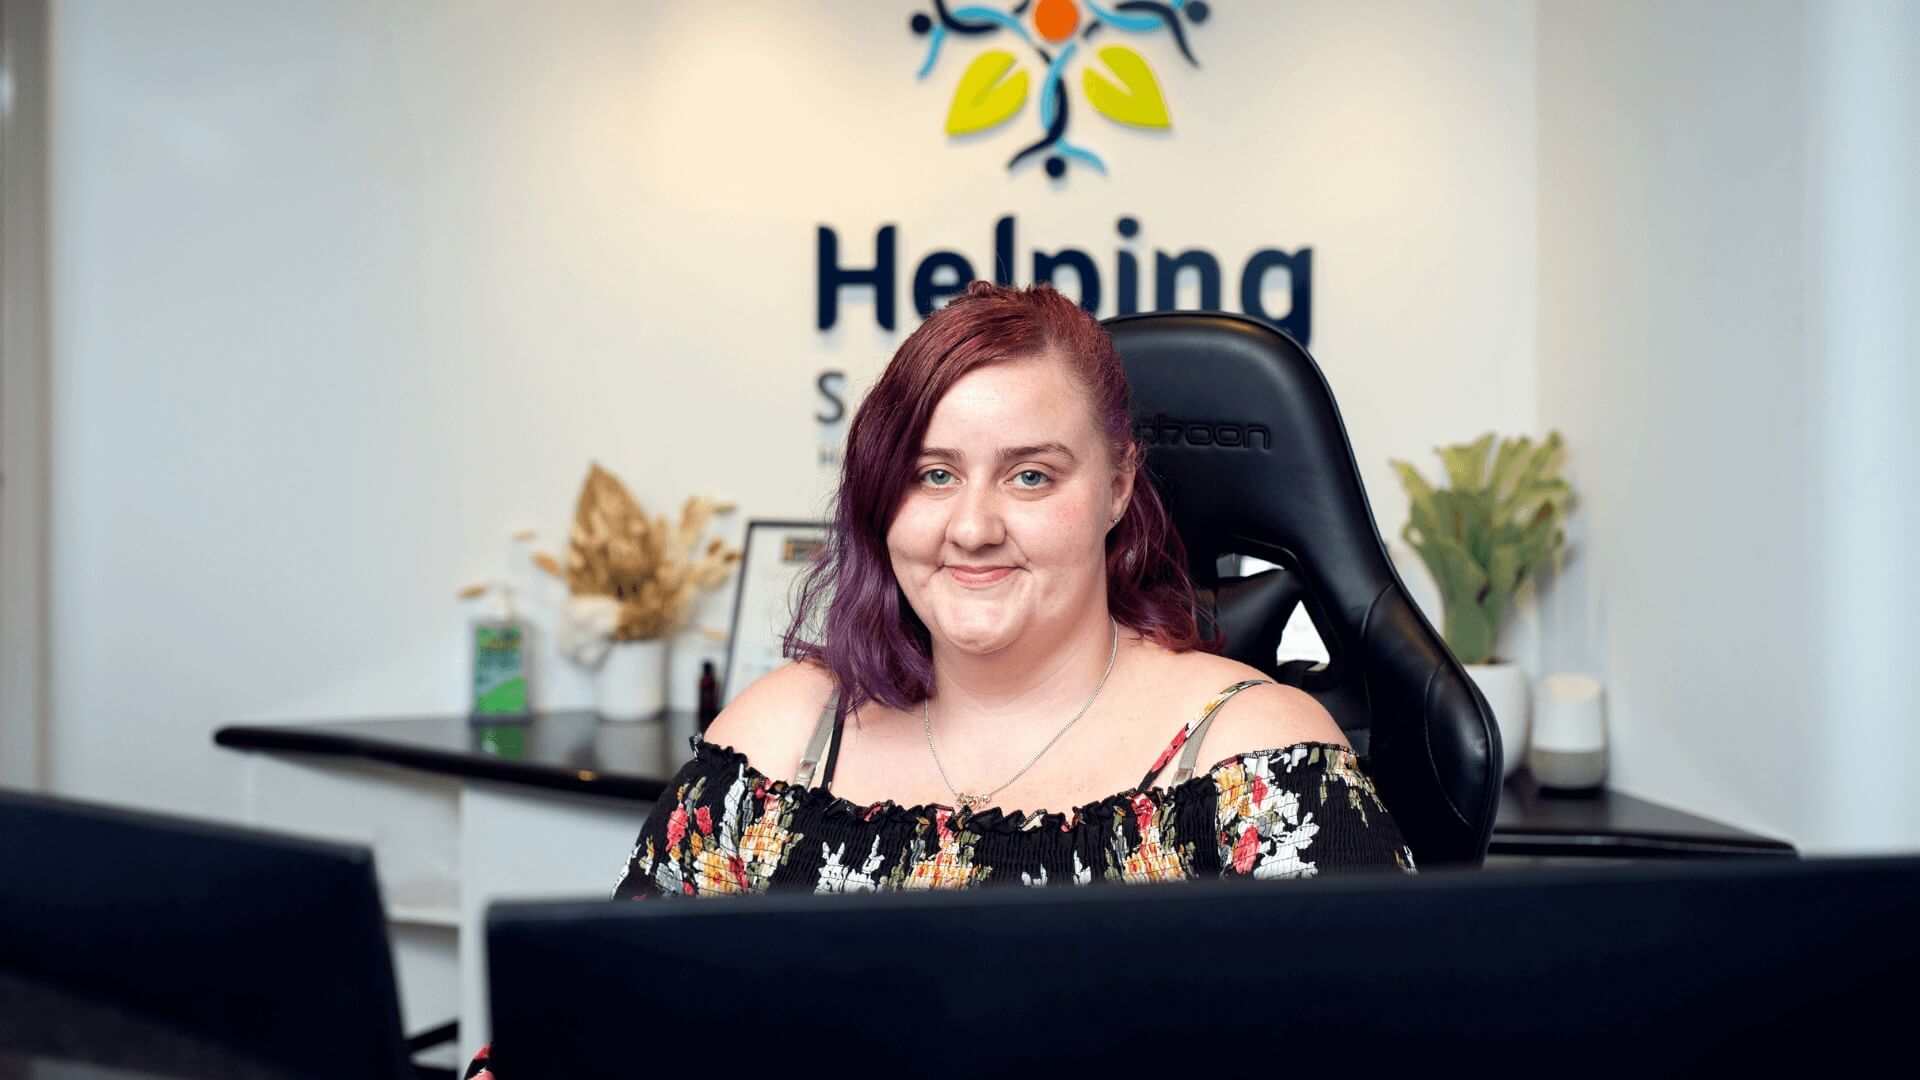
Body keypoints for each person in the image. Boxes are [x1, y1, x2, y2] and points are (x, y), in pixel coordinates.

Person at [461, 282, 1410, 1077]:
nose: (973, 527)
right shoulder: (781, 740)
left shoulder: (1257, 759)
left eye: (1031, 477)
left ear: (1119, 485)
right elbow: (586, 1034)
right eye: (934, 474)